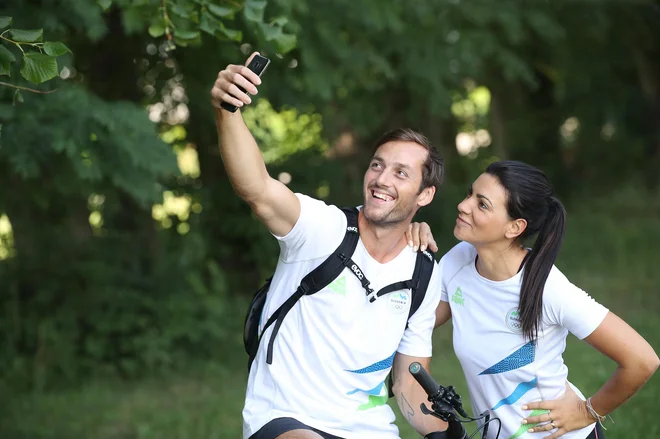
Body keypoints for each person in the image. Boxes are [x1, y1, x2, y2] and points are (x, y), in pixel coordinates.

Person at [210, 52, 450, 439]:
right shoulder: (323, 228)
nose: (381, 179)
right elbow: (257, 189)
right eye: (377, 165)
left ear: (425, 195)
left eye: (401, 173)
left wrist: (444, 432)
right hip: (286, 419)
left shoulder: (423, 272)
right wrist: (227, 111)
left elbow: (407, 383)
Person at [422, 160, 659, 439]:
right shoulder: (457, 261)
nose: (464, 206)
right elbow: (416, 322)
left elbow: (642, 360)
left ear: (514, 227)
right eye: (469, 194)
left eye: (482, 204)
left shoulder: (550, 288)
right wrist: (410, 248)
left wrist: (586, 412)